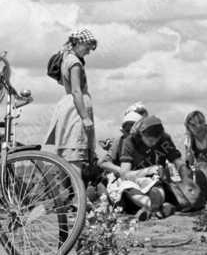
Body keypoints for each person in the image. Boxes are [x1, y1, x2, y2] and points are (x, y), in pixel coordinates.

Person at [102, 113, 181, 219]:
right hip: (131, 181)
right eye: (127, 128)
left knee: (155, 184)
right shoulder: (123, 141)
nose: (153, 143)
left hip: (149, 181)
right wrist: (146, 170)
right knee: (127, 187)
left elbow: (175, 160)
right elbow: (113, 167)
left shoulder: (161, 140)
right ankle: (157, 208)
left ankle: (153, 208)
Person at [43, 28, 97, 167]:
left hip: (69, 107)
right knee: (75, 156)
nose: (88, 51)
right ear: (77, 43)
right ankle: (78, 188)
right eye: (87, 47)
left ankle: (72, 188)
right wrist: (85, 117)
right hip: (76, 112)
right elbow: (76, 91)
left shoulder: (67, 59)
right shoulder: (75, 63)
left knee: (68, 155)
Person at [183, 110, 207, 179]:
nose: (198, 126)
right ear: (188, 127)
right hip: (201, 170)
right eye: (193, 125)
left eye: (201, 122)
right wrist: (189, 152)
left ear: (205, 122)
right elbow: (190, 163)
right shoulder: (189, 141)